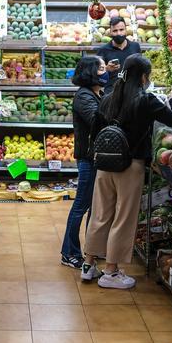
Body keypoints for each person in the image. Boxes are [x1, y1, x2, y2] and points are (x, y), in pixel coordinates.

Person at [81, 54, 172, 289]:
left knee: (100, 214)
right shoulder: (146, 100)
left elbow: (96, 130)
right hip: (130, 166)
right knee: (123, 218)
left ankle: (88, 265)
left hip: (104, 165)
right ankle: (111, 272)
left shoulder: (108, 98)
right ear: (144, 77)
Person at [60, 56, 106, 269]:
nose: (105, 72)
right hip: (88, 158)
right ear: (90, 72)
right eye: (102, 69)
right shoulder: (84, 96)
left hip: (96, 157)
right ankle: (69, 252)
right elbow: (96, 120)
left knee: (94, 207)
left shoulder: (98, 93)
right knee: (81, 206)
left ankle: (91, 249)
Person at [96, 17, 142, 95]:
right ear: (110, 32)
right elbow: (96, 76)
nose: (119, 34)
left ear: (126, 30)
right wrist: (106, 69)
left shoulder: (135, 47)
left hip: (132, 92)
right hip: (111, 94)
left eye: (121, 30)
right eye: (115, 31)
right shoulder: (103, 50)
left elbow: (141, 68)